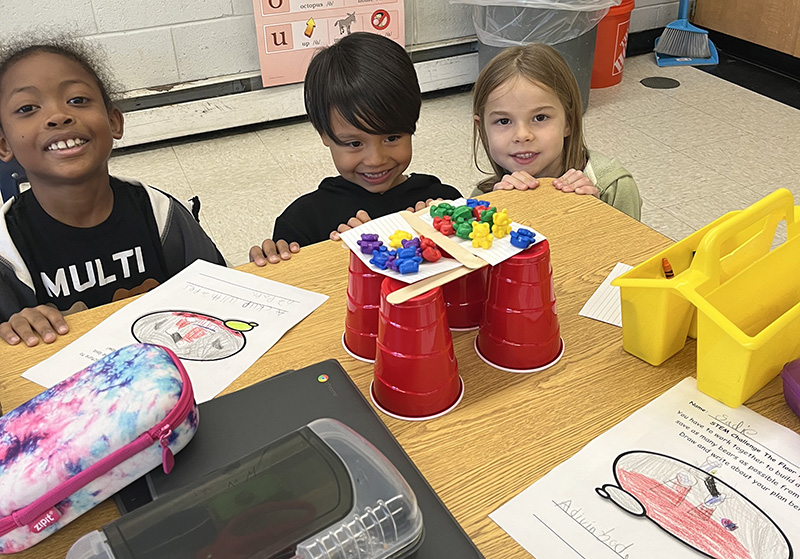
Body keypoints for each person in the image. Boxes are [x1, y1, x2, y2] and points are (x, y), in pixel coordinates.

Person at [0, 38, 225, 347]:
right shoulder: (6, 251)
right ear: (3, 144)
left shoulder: (161, 214)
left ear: (114, 121)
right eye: (27, 108)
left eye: (77, 100)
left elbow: (222, 295)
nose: (58, 116)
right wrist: (14, 327)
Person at [250, 32, 461, 264]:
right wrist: (271, 266)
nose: (375, 159)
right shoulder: (303, 223)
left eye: (391, 137)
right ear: (324, 133)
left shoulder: (443, 203)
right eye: (355, 144)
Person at [471, 43, 641, 220]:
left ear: (568, 121)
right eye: (503, 121)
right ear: (482, 130)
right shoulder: (483, 199)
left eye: (540, 118)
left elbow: (637, 247)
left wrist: (593, 218)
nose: (522, 135)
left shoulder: (612, 187)